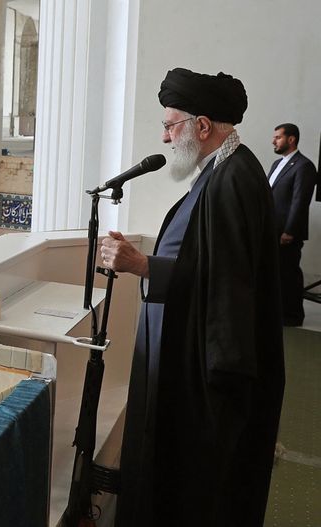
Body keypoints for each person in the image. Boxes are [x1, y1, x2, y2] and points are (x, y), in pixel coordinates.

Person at [101, 67, 284, 527]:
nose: (164, 138)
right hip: (189, 363)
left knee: (197, 492)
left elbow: (228, 285)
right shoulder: (221, 171)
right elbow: (207, 263)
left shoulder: (234, 178)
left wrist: (143, 265)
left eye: (170, 125)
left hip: (206, 381)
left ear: (202, 127)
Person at [267, 123, 317, 327]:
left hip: (287, 233)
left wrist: (289, 231)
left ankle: (293, 316)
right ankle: (278, 312)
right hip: (272, 230)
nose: (273, 140)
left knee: (289, 274)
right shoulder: (276, 164)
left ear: (291, 139)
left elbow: (300, 200)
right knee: (276, 273)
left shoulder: (304, 165)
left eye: (278, 137)